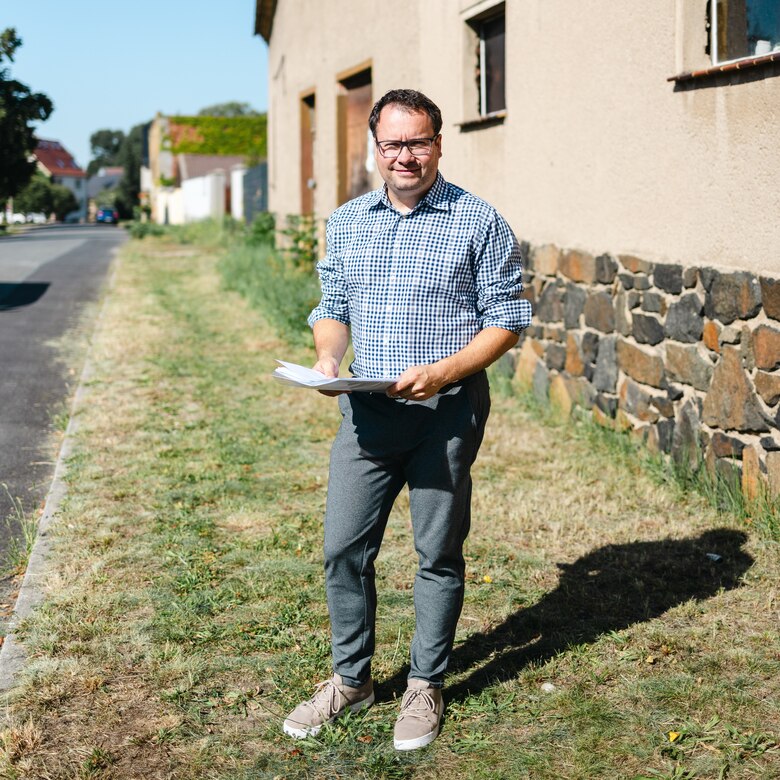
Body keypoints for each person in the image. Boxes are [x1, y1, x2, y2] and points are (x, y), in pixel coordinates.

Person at [282, 89, 532, 751]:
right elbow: (331, 303)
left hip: (444, 416)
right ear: (376, 147)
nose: (405, 156)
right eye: (392, 143)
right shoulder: (350, 220)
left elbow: (507, 319)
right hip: (366, 415)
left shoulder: (477, 221)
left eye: (417, 141)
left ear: (439, 144)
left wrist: (445, 373)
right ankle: (352, 680)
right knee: (342, 548)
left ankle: (425, 685)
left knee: (437, 553)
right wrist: (330, 357)